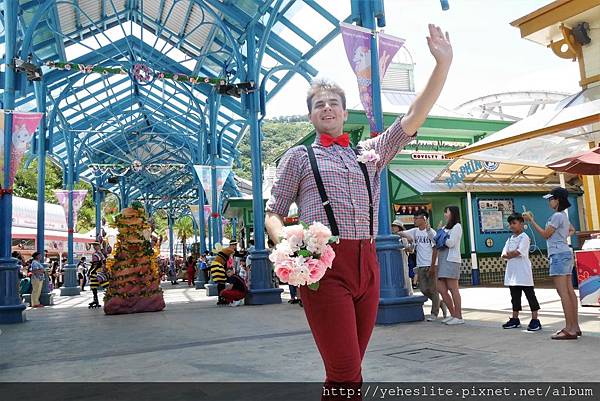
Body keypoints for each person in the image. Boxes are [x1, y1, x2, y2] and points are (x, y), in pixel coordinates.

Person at [265, 24, 452, 395]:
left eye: (333, 102)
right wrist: (286, 239)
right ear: (311, 117)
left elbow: (413, 116)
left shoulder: (370, 154)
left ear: (344, 110)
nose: (328, 108)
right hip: (325, 267)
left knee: (349, 368)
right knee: (346, 368)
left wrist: (442, 64)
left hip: (368, 266)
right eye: (319, 105)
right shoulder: (298, 157)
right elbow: (273, 211)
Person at [523, 187, 579, 340]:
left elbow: (545, 235)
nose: (549, 201)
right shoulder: (563, 216)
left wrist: (531, 220)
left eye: (551, 199)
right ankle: (575, 327)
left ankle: (569, 329)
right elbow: (572, 230)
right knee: (569, 291)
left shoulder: (556, 217)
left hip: (558, 255)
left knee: (563, 293)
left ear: (557, 200)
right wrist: (561, 236)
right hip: (566, 252)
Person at [396, 212, 447, 321]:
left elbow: (435, 249)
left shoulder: (431, 232)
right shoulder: (415, 231)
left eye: (416, 218)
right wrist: (402, 234)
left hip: (431, 264)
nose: (414, 220)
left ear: (424, 219)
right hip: (420, 265)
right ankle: (440, 303)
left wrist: (433, 266)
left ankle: (434, 313)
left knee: (433, 289)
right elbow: (401, 232)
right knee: (424, 289)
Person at [501, 213, 541, 331]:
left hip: (523, 273)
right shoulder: (509, 239)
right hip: (512, 274)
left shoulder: (524, 237)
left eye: (514, 223)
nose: (512, 226)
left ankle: (535, 320)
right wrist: (510, 254)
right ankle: (515, 319)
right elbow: (503, 254)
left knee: (530, 296)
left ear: (521, 224)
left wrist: (510, 254)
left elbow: (518, 252)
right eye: (510, 224)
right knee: (515, 297)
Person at [435, 206, 464, 325]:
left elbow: (451, 243)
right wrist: (437, 233)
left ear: (452, 213)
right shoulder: (444, 228)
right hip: (442, 260)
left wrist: (442, 237)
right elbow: (436, 240)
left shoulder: (457, 226)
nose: (445, 214)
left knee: (453, 288)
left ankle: (459, 316)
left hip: (451, 260)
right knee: (442, 288)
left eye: (446, 212)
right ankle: (453, 314)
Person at [88, 242, 108, 308]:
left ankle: (108, 295)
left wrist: (92, 270)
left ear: (99, 246)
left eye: (95, 245)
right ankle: (95, 300)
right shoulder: (101, 254)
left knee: (103, 283)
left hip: (98, 271)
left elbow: (96, 263)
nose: (94, 246)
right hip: (99, 270)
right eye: (94, 245)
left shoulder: (97, 254)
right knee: (94, 285)